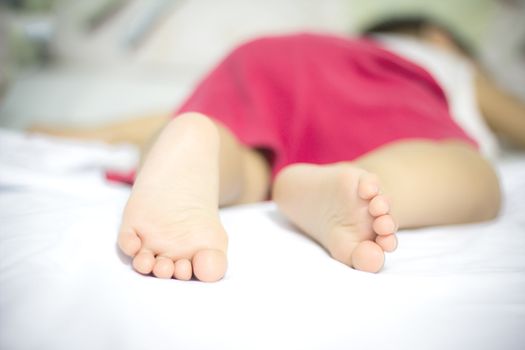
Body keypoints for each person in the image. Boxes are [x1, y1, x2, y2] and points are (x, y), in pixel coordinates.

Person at [31, 16, 525, 282]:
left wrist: (86, 134)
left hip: (264, 60)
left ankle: (200, 143)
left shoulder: (313, 46)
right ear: (439, 38)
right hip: (372, 90)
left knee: (231, 151)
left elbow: (150, 118)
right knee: (474, 176)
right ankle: (365, 183)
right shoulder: (440, 63)